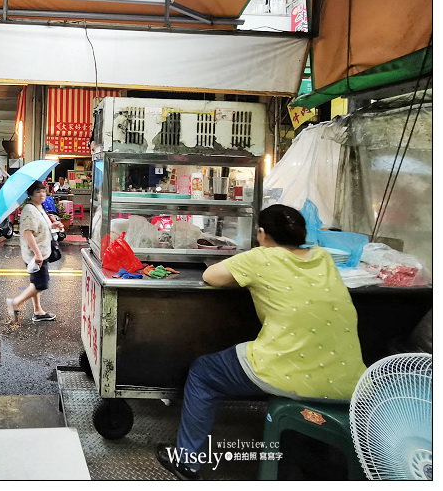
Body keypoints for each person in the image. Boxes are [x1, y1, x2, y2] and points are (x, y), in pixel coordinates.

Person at [156, 204, 367, 480]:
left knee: (203, 373)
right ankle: (308, 456)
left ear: (263, 234)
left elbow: (211, 276)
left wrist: (246, 278)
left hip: (288, 372)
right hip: (350, 381)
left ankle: (188, 461)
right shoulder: (324, 258)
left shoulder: (260, 258)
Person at [6, 180, 64, 323]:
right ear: (31, 194)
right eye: (38, 192)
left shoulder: (39, 207)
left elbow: (41, 226)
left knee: (35, 282)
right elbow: (27, 233)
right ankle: (15, 303)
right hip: (35, 254)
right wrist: (37, 254)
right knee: (41, 284)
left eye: (43, 191)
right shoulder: (29, 210)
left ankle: (38, 311)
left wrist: (53, 225)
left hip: (41, 251)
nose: (42, 194)